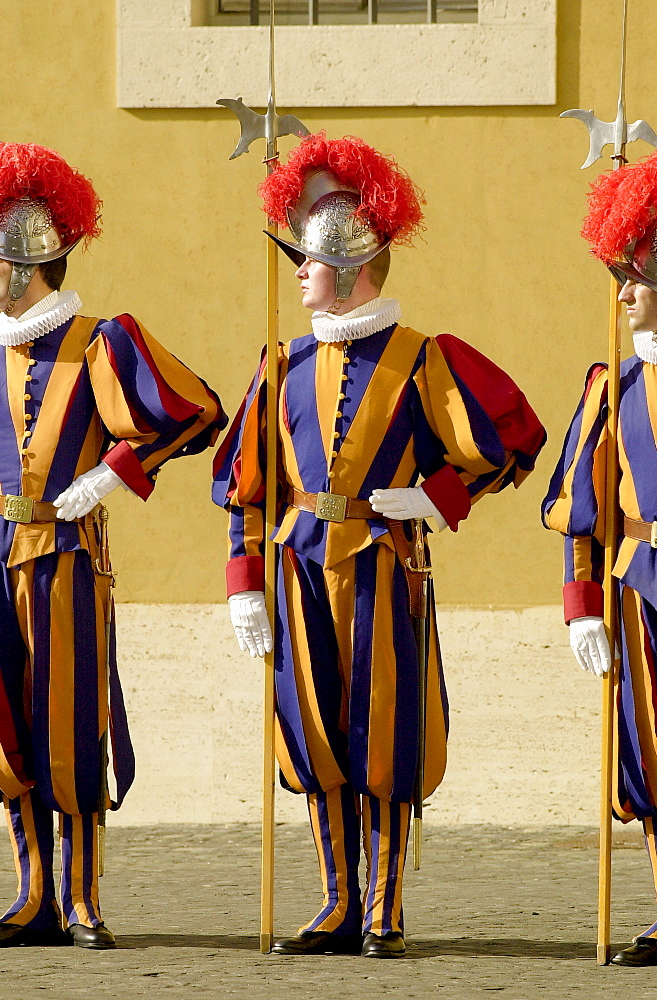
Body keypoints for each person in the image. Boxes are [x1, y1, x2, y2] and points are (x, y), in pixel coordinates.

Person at [213, 133, 546, 958]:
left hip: (382, 569)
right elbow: (247, 483)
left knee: (385, 736)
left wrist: (431, 499)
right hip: (295, 566)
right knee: (314, 730)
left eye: (308, 260)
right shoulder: (280, 362)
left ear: (352, 265)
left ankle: (384, 910)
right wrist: (243, 581)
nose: (295, 272)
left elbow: (509, 441)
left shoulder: (420, 359)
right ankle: (335, 901)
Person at [0, 142, 226, 949]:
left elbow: (196, 412)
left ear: (22, 263)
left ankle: (82, 897)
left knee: (69, 723)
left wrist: (111, 474)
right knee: (9, 730)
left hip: (66, 557)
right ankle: (32, 896)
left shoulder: (99, 340)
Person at [542, 150, 657, 968]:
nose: (619, 293)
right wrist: (582, 604)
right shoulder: (611, 387)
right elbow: (582, 510)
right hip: (641, 588)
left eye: (634, 276)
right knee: (654, 754)